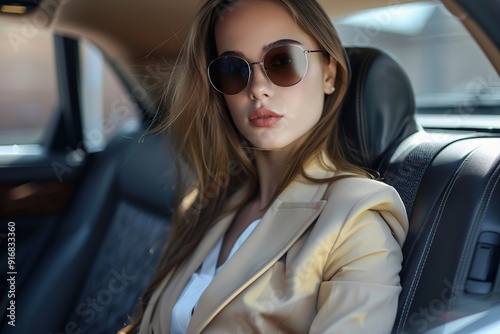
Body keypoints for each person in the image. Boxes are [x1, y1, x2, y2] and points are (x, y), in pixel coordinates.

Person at [120, 0, 408, 333]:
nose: (257, 89)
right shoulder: (208, 203)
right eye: (233, 69)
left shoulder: (356, 216)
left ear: (328, 73)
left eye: (283, 61)